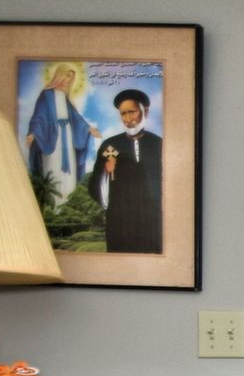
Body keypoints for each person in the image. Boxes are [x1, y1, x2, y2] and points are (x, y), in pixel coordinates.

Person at [84, 89, 164, 254]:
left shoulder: (159, 144)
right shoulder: (109, 146)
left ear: (145, 111)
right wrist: (106, 173)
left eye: (132, 112)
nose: (128, 119)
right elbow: (94, 187)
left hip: (152, 220)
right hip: (120, 220)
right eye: (123, 114)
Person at [25, 62, 98, 195]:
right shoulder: (46, 95)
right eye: (67, 76)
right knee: (53, 167)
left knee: (70, 168)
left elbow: (75, 117)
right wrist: (33, 133)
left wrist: (88, 128)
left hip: (68, 137)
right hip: (52, 137)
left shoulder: (65, 97)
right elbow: (39, 116)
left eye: (71, 77)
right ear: (59, 75)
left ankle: (68, 197)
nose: (68, 80)